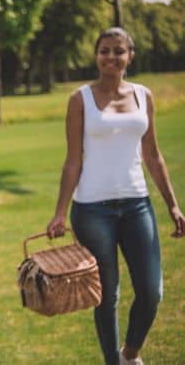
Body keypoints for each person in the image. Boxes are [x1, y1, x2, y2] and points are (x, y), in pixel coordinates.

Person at [46, 27, 184, 365]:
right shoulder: (80, 99)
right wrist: (60, 212)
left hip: (138, 205)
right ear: (96, 55)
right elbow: (73, 158)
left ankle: (130, 354)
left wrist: (173, 205)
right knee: (106, 295)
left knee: (152, 292)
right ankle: (112, 361)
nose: (111, 57)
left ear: (130, 56)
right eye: (105, 50)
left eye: (118, 51)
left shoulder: (143, 96)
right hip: (92, 209)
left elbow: (153, 155)